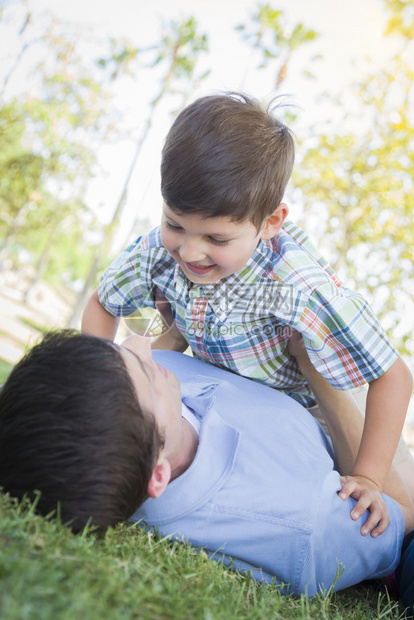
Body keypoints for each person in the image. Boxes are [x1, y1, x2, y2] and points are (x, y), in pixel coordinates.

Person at [82, 92, 414, 531]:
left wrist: (368, 475)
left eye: (217, 239)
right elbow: (103, 303)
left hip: (308, 405)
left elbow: (392, 376)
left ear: (270, 223)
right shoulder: (157, 252)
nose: (190, 250)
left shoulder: (296, 284)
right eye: (175, 224)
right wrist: (91, 374)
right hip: (225, 393)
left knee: (392, 513)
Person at [0, 330, 413, 603]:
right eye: (146, 369)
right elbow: (401, 516)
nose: (143, 343)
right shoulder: (306, 523)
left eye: (123, 350)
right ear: (158, 474)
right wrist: (313, 367)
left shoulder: (141, 422)